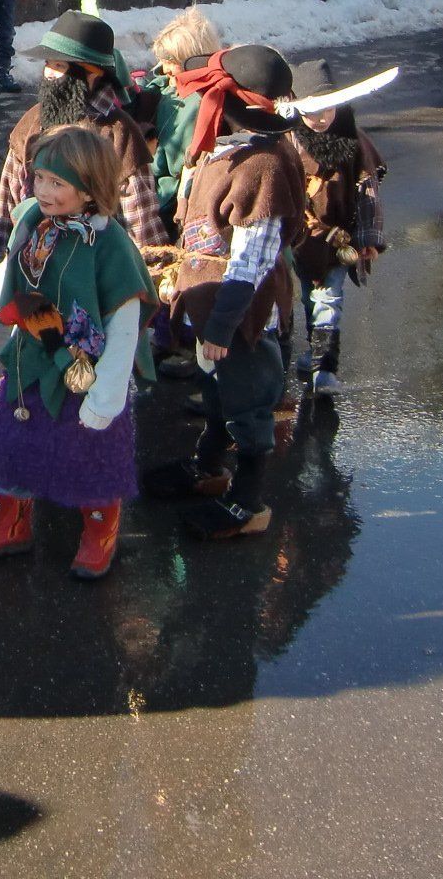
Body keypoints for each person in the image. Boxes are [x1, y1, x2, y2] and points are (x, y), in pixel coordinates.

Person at [0, 126, 156, 580]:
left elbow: (124, 329)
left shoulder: (112, 248)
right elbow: (10, 274)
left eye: (57, 182)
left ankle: (99, 534)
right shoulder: (33, 221)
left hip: (86, 374)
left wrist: (105, 399)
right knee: (14, 444)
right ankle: (10, 525)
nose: (42, 190)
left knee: (90, 455)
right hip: (29, 360)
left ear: (90, 188)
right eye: (39, 177)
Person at [141, 45, 307, 539]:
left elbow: (252, 258)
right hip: (209, 305)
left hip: (240, 315)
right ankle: (209, 466)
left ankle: (249, 502)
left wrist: (222, 324)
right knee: (215, 391)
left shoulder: (264, 165)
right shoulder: (231, 147)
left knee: (247, 402)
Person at [0, 8, 168, 256]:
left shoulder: (118, 134)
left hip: (95, 266)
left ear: (93, 74)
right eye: (48, 64)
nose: (49, 74)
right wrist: (3, 259)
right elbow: (8, 199)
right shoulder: (32, 122)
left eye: (59, 65)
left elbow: (141, 226)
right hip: (32, 262)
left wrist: (144, 270)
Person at [284, 60, 386, 394]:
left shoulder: (353, 140)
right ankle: (314, 352)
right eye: (312, 111)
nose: (320, 118)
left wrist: (368, 238)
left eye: (327, 109)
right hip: (301, 238)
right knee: (309, 296)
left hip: (340, 237)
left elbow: (367, 189)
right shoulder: (288, 142)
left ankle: (324, 369)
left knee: (329, 298)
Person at [139, 6, 222, 229]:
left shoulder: (195, 104)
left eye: (171, 62)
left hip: (164, 203)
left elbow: (173, 167)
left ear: (191, 61)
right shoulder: (169, 88)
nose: (164, 70)